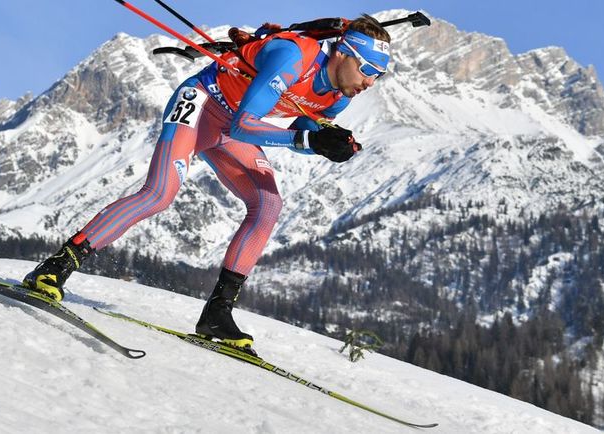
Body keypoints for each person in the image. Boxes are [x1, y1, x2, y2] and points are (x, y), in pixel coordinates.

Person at [23, 14, 391, 351]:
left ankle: (217, 313)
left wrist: (331, 144)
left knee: (268, 205)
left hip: (231, 130)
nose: (370, 81)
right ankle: (54, 269)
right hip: (201, 105)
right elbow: (245, 124)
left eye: (379, 75)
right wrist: (309, 141)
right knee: (159, 194)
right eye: (369, 69)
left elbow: (302, 129)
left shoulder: (337, 98)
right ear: (345, 52)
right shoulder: (293, 56)